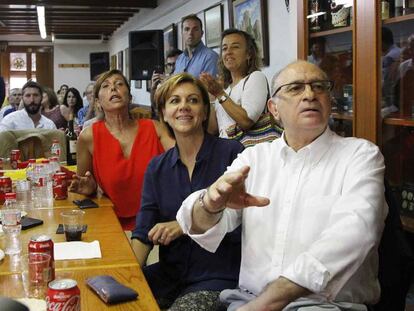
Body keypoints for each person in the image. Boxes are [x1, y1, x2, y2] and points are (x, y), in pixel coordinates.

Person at [177, 61, 387, 311]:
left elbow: (355, 233)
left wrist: (268, 303)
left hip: (326, 306)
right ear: (274, 109)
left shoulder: (360, 155)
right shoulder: (255, 158)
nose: (310, 94)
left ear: (329, 101)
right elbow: (195, 224)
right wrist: (210, 203)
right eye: (296, 88)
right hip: (248, 299)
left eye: (319, 87)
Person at [131, 73, 243, 310]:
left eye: (192, 100)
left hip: (218, 278)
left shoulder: (232, 153)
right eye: (174, 101)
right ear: (163, 114)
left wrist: (183, 226)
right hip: (169, 276)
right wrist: (129, 275)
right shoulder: (157, 167)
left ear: (204, 111)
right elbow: (142, 231)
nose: (184, 107)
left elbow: (241, 219)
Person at [69, 69, 174, 231]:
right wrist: (90, 188)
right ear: (97, 102)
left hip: (159, 223)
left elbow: (185, 159)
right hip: (111, 222)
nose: (113, 88)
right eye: (106, 86)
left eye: (119, 84)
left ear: (130, 97)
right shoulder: (88, 137)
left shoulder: (155, 128)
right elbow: (83, 186)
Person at [200, 29, 269, 138]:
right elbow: (213, 129)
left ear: (249, 54)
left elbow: (246, 121)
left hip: (248, 151)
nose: (228, 52)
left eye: (235, 47)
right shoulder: (225, 90)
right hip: (227, 150)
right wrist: (206, 98)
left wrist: (219, 94)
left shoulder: (255, 77)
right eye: (224, 48)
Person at [150, 48, 183, 119]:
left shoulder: (186, 81)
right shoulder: (166, 79)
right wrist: (153, 88)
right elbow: (154, 106)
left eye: (175, 64)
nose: (172, 68)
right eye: (169, 65)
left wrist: (168, 85)